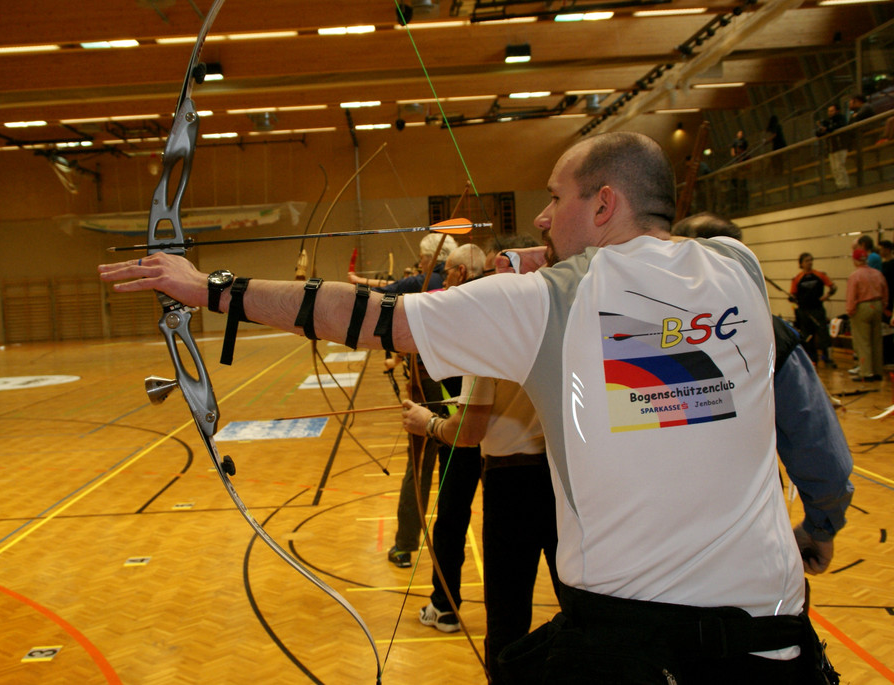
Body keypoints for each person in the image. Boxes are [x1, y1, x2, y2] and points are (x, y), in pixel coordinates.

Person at [100, 131, 837, 683]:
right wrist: (823, 520)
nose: (543, 219)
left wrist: (209, 289)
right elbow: (655, 272)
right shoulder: (738, 271)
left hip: (632, 650)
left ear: (603, 202)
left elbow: (361, 314)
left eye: (555, 198)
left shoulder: (549, 304)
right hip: (774, 642)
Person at [403, 245, 559, 682]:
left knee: (507, 621)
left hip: (513, 484)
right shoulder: (559, 316)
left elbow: (468, 433)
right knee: (581, 605)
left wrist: (428, 423)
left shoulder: (490, 330)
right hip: (567, 478)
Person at [670, 213, 853, 575]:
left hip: (644, 554)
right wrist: (821, 526)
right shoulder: (767, 334)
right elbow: (820, 452)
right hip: (746, 542)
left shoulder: (625, 336)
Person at [352, 233, 456, 568]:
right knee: (460, 468)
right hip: (458, 387)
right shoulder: (459, 282)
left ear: (432, 259)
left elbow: (387, 291)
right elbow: (396, 284)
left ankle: (404, 544)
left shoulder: (429, 279)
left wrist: (355, 284)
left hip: (428, 387)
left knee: (421, 466)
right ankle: (445, 549)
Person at [410, 243, 485, 634]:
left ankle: (444, 606)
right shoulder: (497, 307)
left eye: (448, 270)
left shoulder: (452, 309)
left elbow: (419, 326)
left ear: (458, 272)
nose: (442, 274)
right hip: (503, 439)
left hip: (462, 432)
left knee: (451, 522)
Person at [846, 247, 889, 381]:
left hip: (862, 307)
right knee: (876, 340)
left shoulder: (855, 275)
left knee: (863, 341)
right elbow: (885, 291)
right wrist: (883, 306)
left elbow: (852, 295)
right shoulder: (877, 273)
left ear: (855, 260)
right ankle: (877, 371)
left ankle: (866, 372)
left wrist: (850, 311)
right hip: (877, 305)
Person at [790, 252, 838, 367]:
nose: (810, 263)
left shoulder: (819, 275)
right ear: (801, 263)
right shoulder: (797, 279)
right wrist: (792, 299)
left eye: (811, 260)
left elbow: (833, 287)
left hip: (818, 310)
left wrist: (827, 296)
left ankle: (827, 358)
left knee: (823, 335)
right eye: (807, 261)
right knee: (807, 337)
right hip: (804, 312)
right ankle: (812, 359)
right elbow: (793, 295)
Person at [816, 104, 850, 189]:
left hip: (839, 146)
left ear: (837, 111)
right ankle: (839, 185)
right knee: (834, 168)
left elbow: (836, 127)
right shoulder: (828, 122)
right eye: (829, 111)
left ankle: (844, 185)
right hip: (831, 148)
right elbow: (819, 133)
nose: (830, 113)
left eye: (832, 111)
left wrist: (827, 129)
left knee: (839, 166)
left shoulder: (840, 118)